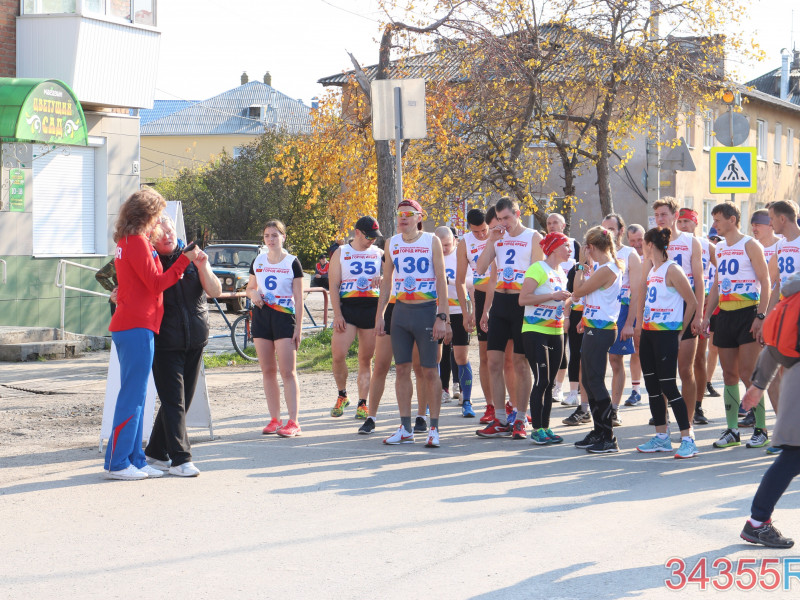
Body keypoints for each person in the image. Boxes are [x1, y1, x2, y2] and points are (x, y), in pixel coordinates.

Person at [104, 189, 200, 480]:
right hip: (136, 325)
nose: (160, 219)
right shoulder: (136, 242)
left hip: (135, 324)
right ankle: (118, 463)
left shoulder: (129, 240)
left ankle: (134, 458)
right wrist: (184, 260)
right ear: (147, 214)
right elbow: (157, 283)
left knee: (138, 396)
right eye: (157, 213)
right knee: (132, 397)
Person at [144, 215, 221, 477]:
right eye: (161, 231)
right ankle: (180, 458)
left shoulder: (191, 256)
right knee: (173, 401)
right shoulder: (149, 259)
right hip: (165, 341)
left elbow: (215, 291)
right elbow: (118, 283)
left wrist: (203, 266)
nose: (167, 235)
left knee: (181, 401)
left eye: (171, 230)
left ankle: (155, 452)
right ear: (151, 236)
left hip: (195, 338)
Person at [377, 199, 451, 448]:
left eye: (408, 214)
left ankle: (434, 428)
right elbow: (386, 281)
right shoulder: (391, 242)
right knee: (401, 369)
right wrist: (380, 314)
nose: (402, 218)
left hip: (426, 311)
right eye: (399, 214)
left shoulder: (431, 240)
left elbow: (441, 279)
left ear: (419, 217)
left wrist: (442, 316)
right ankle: (405, 427)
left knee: (429, 370)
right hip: (401, 313)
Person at [700, 203, 771, 449]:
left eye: (718, 220)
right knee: (729, 373)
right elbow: (718, 284)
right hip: (726, 315)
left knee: (748, 373)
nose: (715, 225)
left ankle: (761, 428)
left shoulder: (750, 244)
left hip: (748, 312)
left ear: (732, 220)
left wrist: (760, 317)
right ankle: (732, 430)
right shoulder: (719, 247)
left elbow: (766, 281)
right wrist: (707, 315)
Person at [738, 274, 800, 548]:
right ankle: (757, 522)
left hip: (793, 380)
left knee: (793, 456)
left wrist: (758, 384)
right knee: (792, 456)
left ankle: (758, 521)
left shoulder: (792, 296)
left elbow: (774, 346)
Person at [475, 197, 543, 439]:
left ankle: (521, 418)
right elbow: (481, 269)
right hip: (500, 304)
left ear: (518, 214)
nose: (504, 223)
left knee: (520, 363)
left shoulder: (533, 236)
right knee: (493, 361)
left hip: (521, 302)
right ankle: (500, 419)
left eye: (507, 218)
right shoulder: (498, 237)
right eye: (500, 219)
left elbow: (539, 270)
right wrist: (491, 241)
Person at [634, 228, 699, 459]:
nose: (641, 246)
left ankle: (688, 438)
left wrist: (680, 332)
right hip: (650, 332)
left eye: (643, 242)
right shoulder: (653, 270)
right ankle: (661, 436)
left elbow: (692, 302)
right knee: (652, 388)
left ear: (650, 244)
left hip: (666, 334)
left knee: (669, 387)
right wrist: (640, 325)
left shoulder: (672, 269)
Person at [647, 199, 704, 425]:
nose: (660, 219)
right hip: (660, 309)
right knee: (661, 371)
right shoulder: (653, 240)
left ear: (674, 215)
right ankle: (663, 418)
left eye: (663, 215)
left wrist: (699, 314)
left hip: (685, 308)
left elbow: (699, 281)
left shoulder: (691, 241)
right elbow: (645, 278)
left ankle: (687, 421)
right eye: (657, 216)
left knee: (685, 369)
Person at [246, 220, 304, 438]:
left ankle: (293, 421)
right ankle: (274, 419)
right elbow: (250, 288)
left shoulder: (292, 262)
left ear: (283, 237)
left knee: (287, 371)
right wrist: (254, 295)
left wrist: (298, 327)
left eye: (274, 235)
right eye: (267, 235)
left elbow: (299, 299)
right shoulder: (258, 260)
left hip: (283, 317)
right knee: (267, 371)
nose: (270, 239)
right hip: (261, 317)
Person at [572, 226, 623, 453]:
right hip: (594, 325)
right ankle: (598, 430)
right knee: (590, 381)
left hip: (602, 329)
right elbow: (591, 297)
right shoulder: (602, 267)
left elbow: (578, 292)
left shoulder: (606, 269)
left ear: (590, 247)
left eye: (587, 249)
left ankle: (608, 436)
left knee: (595, 381)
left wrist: (580, 267)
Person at [328, 216, 383, 419]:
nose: (372, 241)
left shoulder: (379, 253)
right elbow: (333, 285)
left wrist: (384, 278)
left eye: (375, 237)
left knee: (365, 359)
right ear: (357, 232)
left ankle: (363, 403)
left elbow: (393, 278)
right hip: (348, 308)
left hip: (371, 308)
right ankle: (342, 395)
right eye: (369, 236)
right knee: (338, 354)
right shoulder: (341, 252)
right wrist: (337, 314)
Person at [519, 232, 571, 444]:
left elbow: (559, 302)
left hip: (556, 331)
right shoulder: (538, 268)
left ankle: (546, 427)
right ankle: (536, 429)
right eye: (566, 246)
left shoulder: (562, 272)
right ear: (554, 247)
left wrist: (568, 301)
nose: (570, 250)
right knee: (541, 380)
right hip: (535, 331)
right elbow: (523, 299)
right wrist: (552, 296)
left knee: (550, 383)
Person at [675, 208, 717, 426]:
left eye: (687, 221)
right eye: (680, 221)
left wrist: (712, 296)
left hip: (702, 302)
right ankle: (669, 409)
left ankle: (698, 405)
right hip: (678, 302)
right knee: (675, 361)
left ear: (696, 223)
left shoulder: (705, 244)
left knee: (698, 359)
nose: (683, 225)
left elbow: (723, 270)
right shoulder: (672, 242)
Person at [603, 214, 641, 427]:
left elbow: (636, 290)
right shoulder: (599, 253)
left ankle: (614, 410)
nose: (607, 232)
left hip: (622, 312)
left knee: (616, 361)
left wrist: (630, 323)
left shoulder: (630, 254)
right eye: (604, 228)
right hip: (600, 312)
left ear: (620, 230)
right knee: (595, 363)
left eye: (611, 228)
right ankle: (592, 407)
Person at [438, 226, 476, 418]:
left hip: (459, 311)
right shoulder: (432, 256)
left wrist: (450, 281)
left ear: (454, 240)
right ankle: (437, 393)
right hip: (436, 313)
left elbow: (471, 282)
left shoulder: (461, 256)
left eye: (446, 244)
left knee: (461, 356)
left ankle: (466, 397)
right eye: (440, 245)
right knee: (436, 356)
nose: (444, 248)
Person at [545, 212, 581, 405]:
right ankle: (548, 384)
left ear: (564, 225)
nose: (551, 226)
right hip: (548, 300)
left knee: (565, 346)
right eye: (549, 223)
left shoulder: (574, 245)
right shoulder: (543, 245)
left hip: (569, 302)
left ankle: (559, 387)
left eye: (555, 223)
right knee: (549, 347)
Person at [623, 223, 646, 406]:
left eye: (640, 239)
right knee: (636, 350)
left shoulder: (653, 256)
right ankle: (636, 390)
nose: (637, 244)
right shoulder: (626, 257)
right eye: (633, 241)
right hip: (630, 307)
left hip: (653, 310)